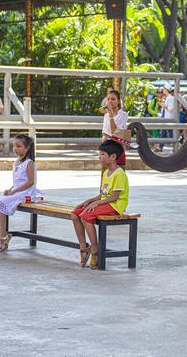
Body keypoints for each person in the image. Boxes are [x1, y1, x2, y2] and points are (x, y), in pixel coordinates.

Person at [71, 140, 129, 269]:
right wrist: (90, 200)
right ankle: (84, 247)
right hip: (106, 202)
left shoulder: (119, 174)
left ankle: (95, 250)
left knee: (86, 216)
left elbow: (114, 197)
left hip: (115, 206)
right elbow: (103, 194)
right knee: (75, 214)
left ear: (113, 157)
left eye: (102, 154)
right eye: (100, 154)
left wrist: (97, 203)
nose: (99, 157)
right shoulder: (105, 172)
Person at [0, 135, 41, 251]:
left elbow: (31, 182)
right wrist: (10, 189)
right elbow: (17, 181)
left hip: (26, 194)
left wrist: (15, 191)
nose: (15, 148)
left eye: (19, 146)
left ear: (27, 148)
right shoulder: (16, 162)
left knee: (0, 205)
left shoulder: (29, 163)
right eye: (14, 146)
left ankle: (3, 235)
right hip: (17, 192)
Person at [101, 89, 128, 165]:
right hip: (106, 149)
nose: (110, 101)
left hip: (118, 149)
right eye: (108, 99)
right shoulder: (106, 115)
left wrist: (111, 116)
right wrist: (102, 150)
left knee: (118, 174)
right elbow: (104, 134)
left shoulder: (123, 115)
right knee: (106, 175)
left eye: (113, 99)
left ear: (118, 101)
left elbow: (115, 133)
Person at [159, 84, 176, 149]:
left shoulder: (170, 98)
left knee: (170, 134)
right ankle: (160, 147)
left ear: (166, 90)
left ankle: (176, 147)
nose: (162, 90)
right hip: (165, 118)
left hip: (168, 119)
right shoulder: (167, 98)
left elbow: (171, 108)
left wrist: (163, 105)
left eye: (163, 89)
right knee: (163, 133)